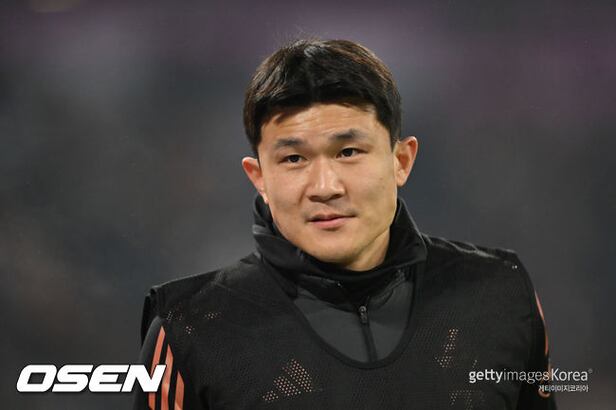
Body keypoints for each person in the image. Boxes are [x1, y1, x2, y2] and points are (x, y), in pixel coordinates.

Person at [134, 39, 556, 410]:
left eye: (349, 152)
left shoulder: (501, 294)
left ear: (401, 160)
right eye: (294, 158)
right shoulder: (191, 327)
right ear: (258, 177)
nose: (325, 187)